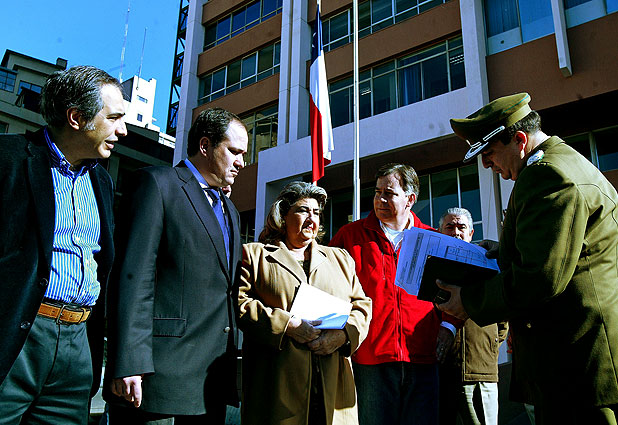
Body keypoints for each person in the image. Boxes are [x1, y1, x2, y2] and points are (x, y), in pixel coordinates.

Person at [437, 93, 618, 424]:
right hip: (577, 357)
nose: (486, 164)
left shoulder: (547, 176)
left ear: (520, 140)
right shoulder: (562, 163)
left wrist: (469, 301)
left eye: (489, 153)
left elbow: (540, 278)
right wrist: (498, 251)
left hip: (576, 362)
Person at [105, 107, 248, 424]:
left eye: (244, 154)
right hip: (157, 377)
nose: (241, 162)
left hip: (212, 382)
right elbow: (133, 277)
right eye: (234, 152)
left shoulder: (230, 210)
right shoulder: (157, 184)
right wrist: (129, 361)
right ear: (205, 145)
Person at [0, 65, 125, 423]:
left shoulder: (102, 182)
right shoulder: (9, 158)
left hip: (78, 344)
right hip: (15, 338)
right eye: (113, 118)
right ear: (76, 118)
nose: (123, 130)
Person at [329, 163, 462, 425]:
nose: (380, 199)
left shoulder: (433, 239)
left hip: (423, 358)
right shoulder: (350, 236)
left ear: (410, 199)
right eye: (377, 192)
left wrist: (449, 326)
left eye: (388, 193)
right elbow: (328, 284)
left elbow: (456, 290)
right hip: (370, 360)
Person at [237, 181, 372, 425]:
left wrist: (343, 336)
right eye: (303, 210)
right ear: (283, 215)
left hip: (333, 385)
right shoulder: (255, 255)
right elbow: (240, 304)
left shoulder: (340, 258)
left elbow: (362, 306)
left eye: (316, 213)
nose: (312, 218)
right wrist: (286, 325)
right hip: (278, 387)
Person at [437, 207, 507, 425]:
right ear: (440, 232)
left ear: (471, 233)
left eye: (461, 227)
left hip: (480, 372)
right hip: (440, 373)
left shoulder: (488, 264)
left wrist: (489, 346)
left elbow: (502, 319)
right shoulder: (431, 267)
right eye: (450, 227)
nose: (456, 232)